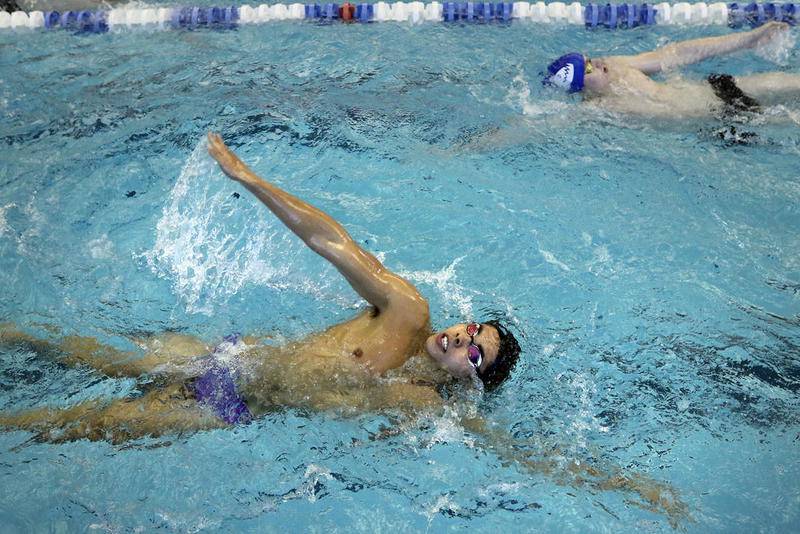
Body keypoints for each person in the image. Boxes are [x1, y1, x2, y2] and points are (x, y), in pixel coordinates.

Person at [0, 132, 521, 443]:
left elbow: (490, 446)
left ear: (470, 380)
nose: (461, 338)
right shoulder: (407, 310)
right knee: (66, 346)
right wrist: (250, 178)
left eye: (475, 353)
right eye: (473, 328)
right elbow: (331, 241)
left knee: (64, 424)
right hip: (226, 359)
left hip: (226, 409)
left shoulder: (427, 404)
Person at [543, 21, 799, 119]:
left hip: (716, 88)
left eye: (590, 59)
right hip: (725, 119)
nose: (597, 63)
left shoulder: (619, 65)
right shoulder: (599, 108)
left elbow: (677, 53)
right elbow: (543, 123)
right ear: (583, 89)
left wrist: (749, 39)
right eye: (589, 69)